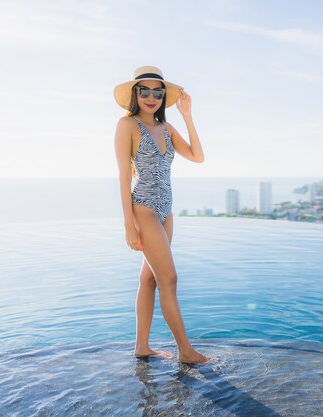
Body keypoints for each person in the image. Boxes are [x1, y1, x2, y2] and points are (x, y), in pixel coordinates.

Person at [113, 66, 216, 365]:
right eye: (143, 91)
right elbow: (122, 176)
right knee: (169, 279)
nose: (151, 97)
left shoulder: (167, 129)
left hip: (166, 211)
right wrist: (128, 225)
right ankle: (185, 351)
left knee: (149, 281)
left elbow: (197, 156)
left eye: (157, 92)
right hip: (143, 209)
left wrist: (187, 116)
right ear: (134, 94)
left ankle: (141, 347)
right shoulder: (127, 125)